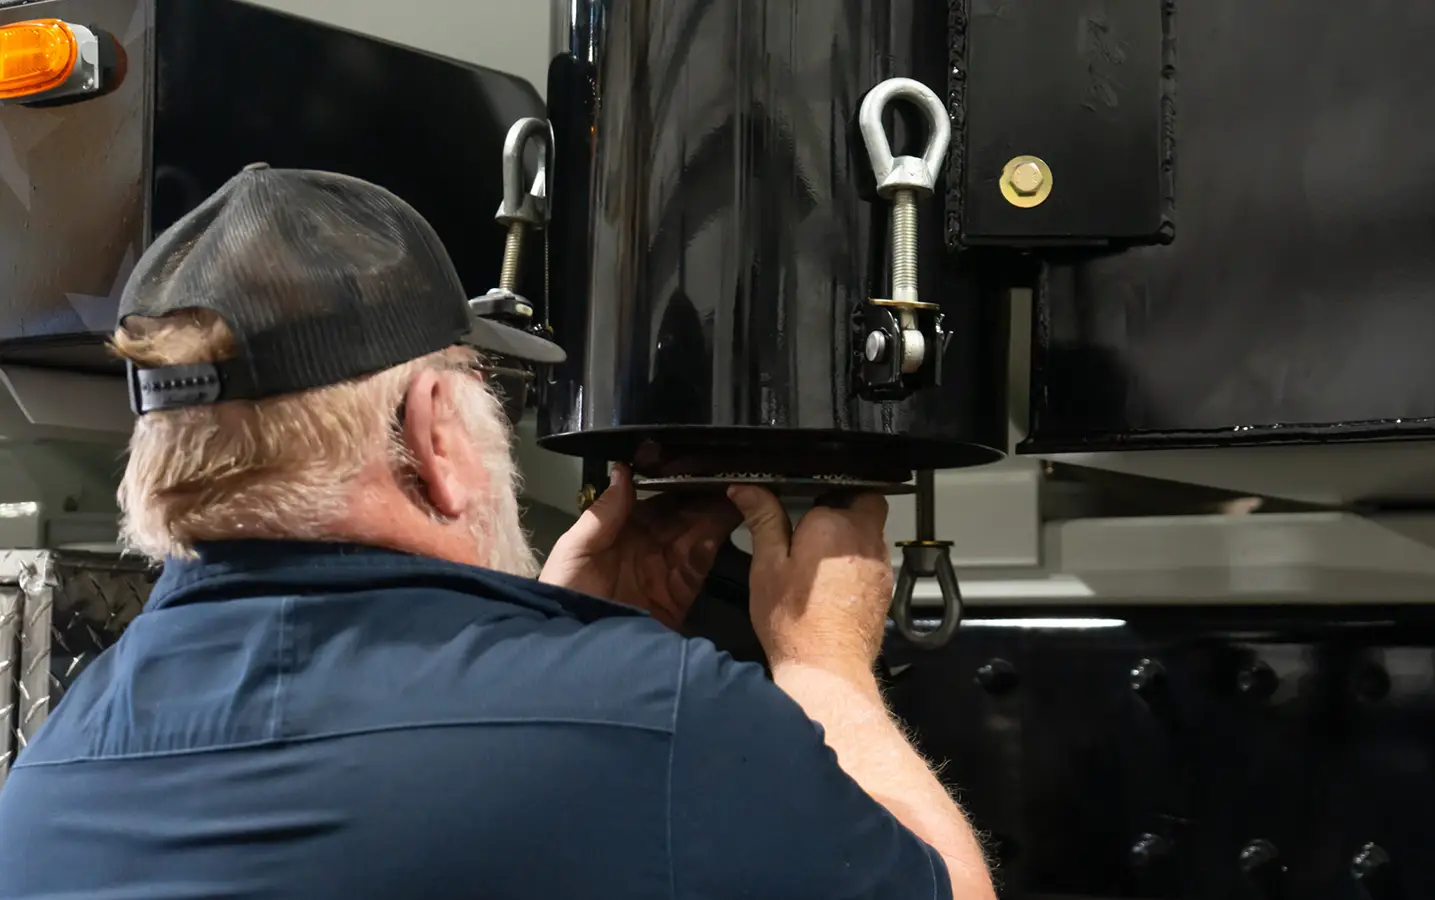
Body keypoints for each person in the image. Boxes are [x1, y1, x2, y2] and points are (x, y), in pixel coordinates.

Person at [0, 165, 995, 900]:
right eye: (490, 392)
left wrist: (563, 636)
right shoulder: (659, 722)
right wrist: (825, 673)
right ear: (432, 430)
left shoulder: (56, 771)